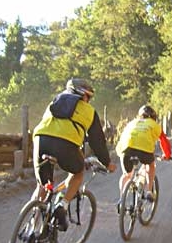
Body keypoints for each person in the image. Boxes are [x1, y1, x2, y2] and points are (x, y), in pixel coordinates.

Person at [32, 78, 117, 231]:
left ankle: (31, 226)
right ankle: (62, 206)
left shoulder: (55, 101)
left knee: (43, 184)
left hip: (41, 140)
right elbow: (97, 141)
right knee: (77, 172)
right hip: (65, 145)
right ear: (83, 95)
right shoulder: (88, 111)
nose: (89, 101)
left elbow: (58, 128)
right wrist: (107, 162)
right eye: (89, 97)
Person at [116, 105, 172, 207]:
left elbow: (121, 140)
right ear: (153, 117)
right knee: (150, 165)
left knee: (126, 175)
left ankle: (121, 200)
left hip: (126, 149)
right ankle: (149, 191)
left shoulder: (131, 123)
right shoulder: (154, 124)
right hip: (144, 150)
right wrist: (167, 155)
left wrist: (120, 153)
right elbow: (164, 141)